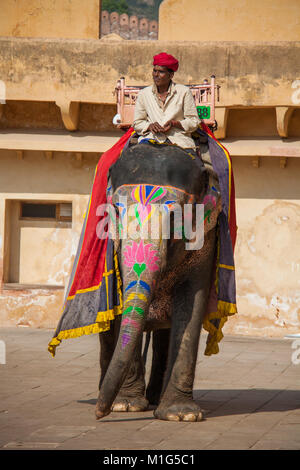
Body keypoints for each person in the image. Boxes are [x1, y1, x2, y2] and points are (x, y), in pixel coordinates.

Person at [133, 52, 200, 150]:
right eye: (154, 71)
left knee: (196, 164)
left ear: (171, 75)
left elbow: (194, 122)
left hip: (179, 140)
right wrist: (149, 126)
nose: (156, 75)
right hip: (151, 139)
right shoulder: (144, 94)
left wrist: (175, 124)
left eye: (161, 72)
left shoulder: (184, 92)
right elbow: (137, 123)